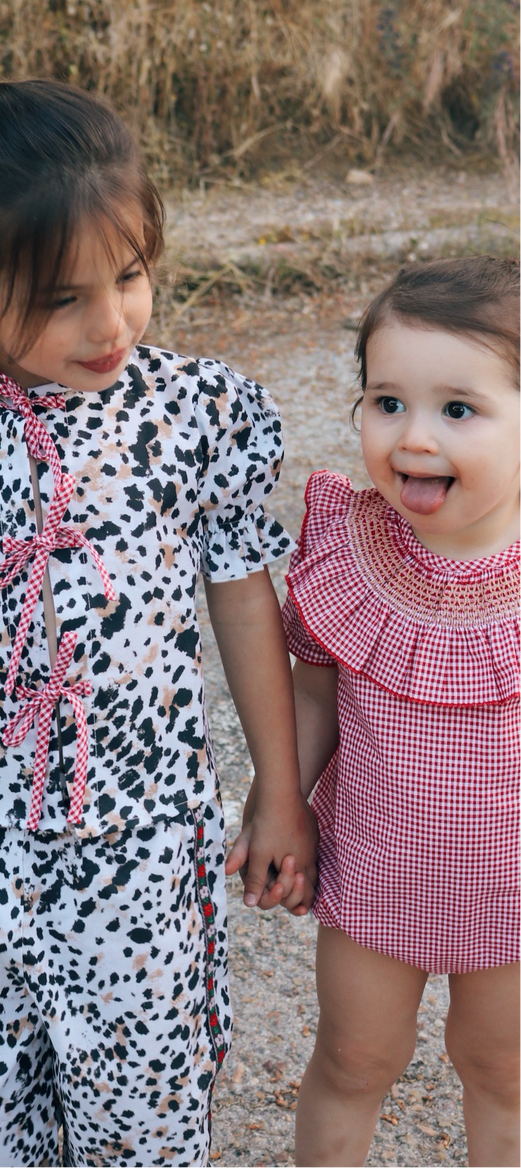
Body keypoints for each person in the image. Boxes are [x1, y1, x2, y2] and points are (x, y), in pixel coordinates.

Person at [0, 77, 316, 1168]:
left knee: (140, 1122)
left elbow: (241, 602)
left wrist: (278, 789)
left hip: (139, 861)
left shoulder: (189, 414)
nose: (112, 321)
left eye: (129, 277)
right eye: (65, 297)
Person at [284, 256, 521, 1167]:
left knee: (501, 1069)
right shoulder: (353, 547)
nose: (412, 437)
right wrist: (282, 803)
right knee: (354, 1056)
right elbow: (313, 689)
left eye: (457, 410)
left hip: (512, 892)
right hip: (377, 874)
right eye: (388, 403)